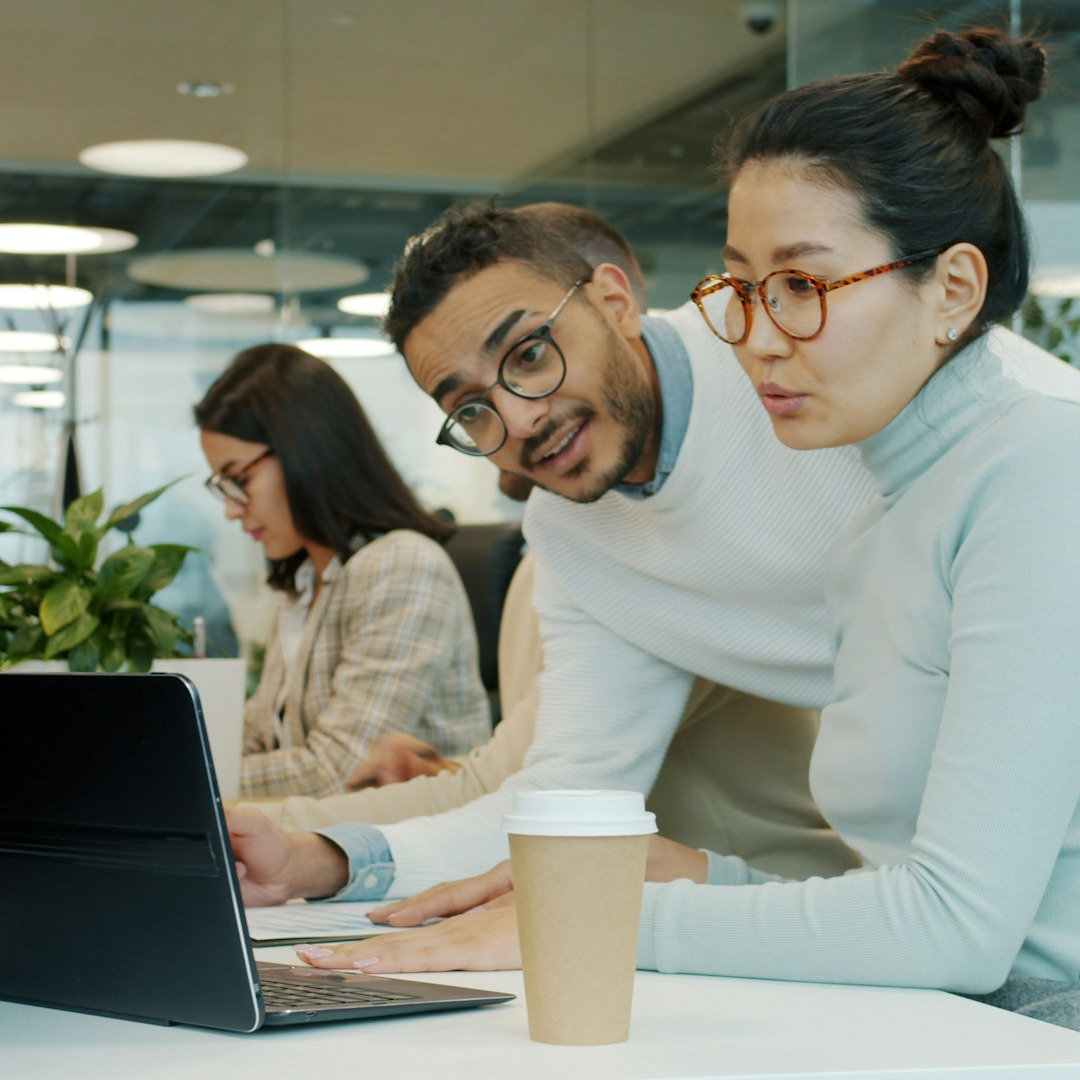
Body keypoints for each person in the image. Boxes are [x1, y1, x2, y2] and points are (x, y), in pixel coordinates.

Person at [292, 28, 1080, 1031]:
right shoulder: (882, 515)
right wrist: (693, 883)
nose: (754, 337)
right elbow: (923, 906)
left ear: (956, 289)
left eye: (801, 286)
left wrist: (622, 918)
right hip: (958, 1007)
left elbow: (961, 928)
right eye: (744, 289)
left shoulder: (1038, 463)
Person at [236, 201, 864, 887]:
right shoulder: (570, 526)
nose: (521, 420)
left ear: (615, 300)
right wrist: (318, 858)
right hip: (873, 896)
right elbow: (565, 793)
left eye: (531, 354)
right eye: (470, 409)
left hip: (905, 875)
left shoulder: (774, 363)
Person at [196, 343, 491, 798]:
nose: (232, 511)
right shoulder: (303, 583)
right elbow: (257, 734)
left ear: (305, 452)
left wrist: (181, 781)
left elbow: (339, 771)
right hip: (319, 844)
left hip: (413, 854)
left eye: (239, 479)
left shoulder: (401, 565)